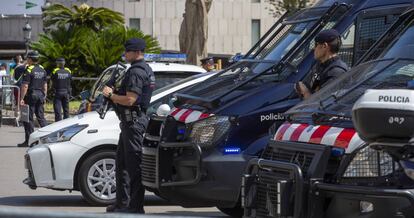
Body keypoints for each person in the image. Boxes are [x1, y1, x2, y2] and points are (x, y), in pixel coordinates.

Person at [102, 38, 155, 213]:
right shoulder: (142, 69)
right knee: (122, 164)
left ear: (137, 52)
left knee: (134, 167)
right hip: (130, 123)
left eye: (127, 51)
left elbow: (131, 100)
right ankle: (122, 203)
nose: (125, 54)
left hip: (133, 123)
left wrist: (111, 96)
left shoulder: (137, 72)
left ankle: (135, 208)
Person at [295, 29, 349, 100]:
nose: (314, 48)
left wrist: (305, 92)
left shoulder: (337, 72)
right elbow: (308, 86)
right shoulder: (320, 65)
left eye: (316, 44)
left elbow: (321, 103)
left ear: (324, 46)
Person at [18, 51, 48, 147]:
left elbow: (25, 86)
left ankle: (29, 141)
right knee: (41, 118)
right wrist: (44, 96)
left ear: (30, 59)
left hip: (31, 95)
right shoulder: (42, 70)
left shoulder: (29, 70)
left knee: (28, 119)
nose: (27, 60)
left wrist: (22, 98)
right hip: (40, 95)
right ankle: (48, 139)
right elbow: (45, 85)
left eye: (27, 58)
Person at [51, 57, 72, 122]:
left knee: (58, 111)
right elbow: (70, 80)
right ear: (64, 63)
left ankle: (58, 124)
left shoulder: (55, 71)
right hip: (66, 92)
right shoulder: (68, 71)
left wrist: (51, 90)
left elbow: (52, 81)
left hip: (58, 92)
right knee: (66, 110)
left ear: (57, 63)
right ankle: (66, 123)